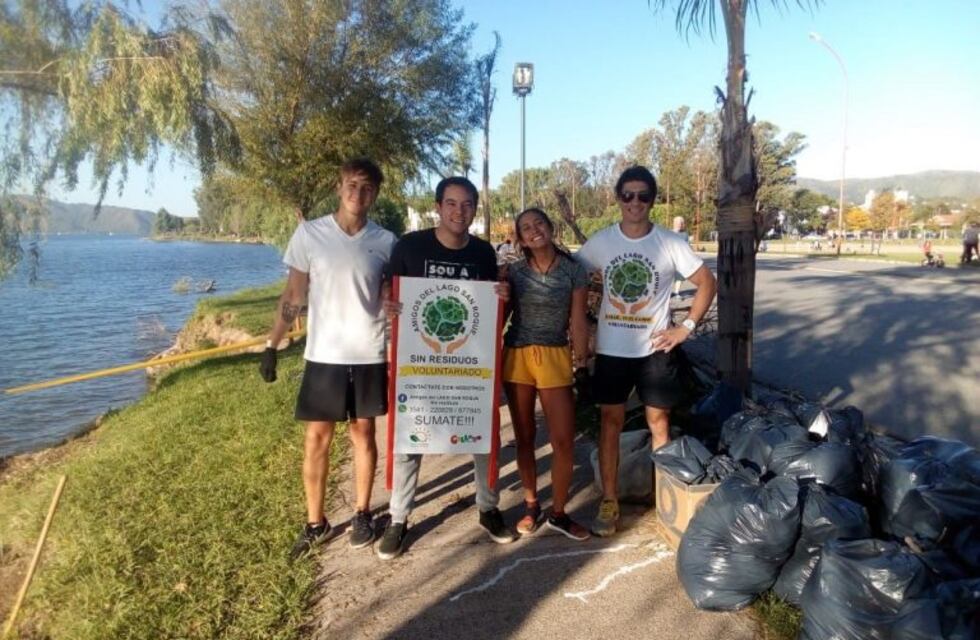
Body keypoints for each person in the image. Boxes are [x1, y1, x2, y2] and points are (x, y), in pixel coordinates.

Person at [259, 158, 396, 559]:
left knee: (363, 435)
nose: (359, 193)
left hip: (369, 352)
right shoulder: (310, 234)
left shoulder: (387, 242)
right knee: (317, 438)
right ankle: (315, 523)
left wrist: (391, 298)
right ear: (339, 187)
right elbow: (293, 295)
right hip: (324, 356)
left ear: (375, 194)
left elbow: (393, 291)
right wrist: (272, 345)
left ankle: (362, 512)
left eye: (367, 187)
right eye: (352, 185)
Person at [378, 176, 515, 560]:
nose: (459, 211)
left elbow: (487, 310)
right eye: (452, 203)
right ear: (438, 206)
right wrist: (389, 301)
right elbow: (389, 290)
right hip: (419, 364)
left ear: (474, 209)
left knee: (482, 434)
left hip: (468, 364)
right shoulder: (410, 246)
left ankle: (488, 508)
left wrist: (503, 296)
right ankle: (398, 518)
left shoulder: (484, 253)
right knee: (410, 434)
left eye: (467, 204)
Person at [576, 165, 717, 537]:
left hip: (655, 350)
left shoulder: (670, 242)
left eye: (643, 195)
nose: (634, 202)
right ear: (618, 199)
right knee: (610, 423)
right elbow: (572, 278)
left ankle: (666, 500)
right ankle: (610, 500)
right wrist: (585, 327)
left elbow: (706, 282)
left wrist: (684, 328)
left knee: (659, 424)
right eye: (627, 195)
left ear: (652, 200)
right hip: (612, 350)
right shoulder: (602, 242)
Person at [503, 208, 591, 541]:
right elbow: (500, 316)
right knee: (525, 437)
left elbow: (578, 321)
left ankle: (558, 512)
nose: (533, 230)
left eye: (538, 223)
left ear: (551, 227)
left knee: (563, 440)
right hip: (518, 357)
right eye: (525, 227)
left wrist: (581, 362)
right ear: (521, 238)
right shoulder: (512, 272)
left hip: (555, 355)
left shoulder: (573, 271)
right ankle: (531, 504)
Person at [671, 216, 689, 297]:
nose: (680, 225)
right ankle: (666, 292)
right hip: (670, 259)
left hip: (681, 259)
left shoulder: (685, 234)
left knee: (679, 276)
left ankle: (676, 292)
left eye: (681, 223)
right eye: (678, 223)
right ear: (674, 223)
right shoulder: (669, 233)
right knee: (668, 276)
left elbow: (687, 245)